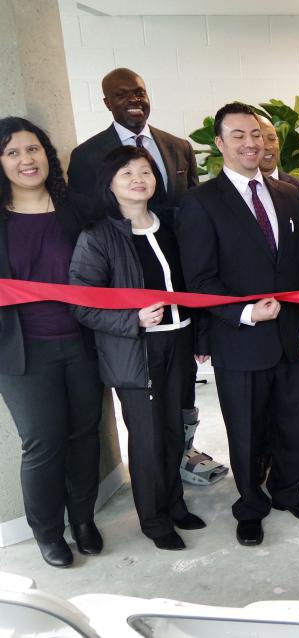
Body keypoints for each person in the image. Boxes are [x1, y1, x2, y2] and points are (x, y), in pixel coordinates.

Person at [67, 66, 226, 488]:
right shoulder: (86, 156)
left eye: (139, 91)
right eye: (121, 95)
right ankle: (156, 493)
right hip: (131, 300)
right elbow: (87, 226)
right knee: (147, 422)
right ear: (106, 103)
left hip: (178, 290)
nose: (133, 99)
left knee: (182, 402)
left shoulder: (177, 147)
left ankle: (182, 460)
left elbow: (194, 212)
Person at [177, 102, 299, 546]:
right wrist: (244, 312)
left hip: (290, 334)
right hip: (239, 338)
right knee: (244, 429)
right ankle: (250, 504)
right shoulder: (201, 202)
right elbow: (200, 280)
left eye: (256, 135)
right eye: (238, 135)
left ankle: (289, 491)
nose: (250, 143)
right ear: (220, 144)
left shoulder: (288, 194)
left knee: (292, 421)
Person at [69, 146, 206, 551]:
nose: (138, 179)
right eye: (126, 173)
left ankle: (175, 504)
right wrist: (132, 321)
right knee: (147, 439)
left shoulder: (172, 224)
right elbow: (81, 304)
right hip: (137, 348)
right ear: (109, 184)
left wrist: (197, 336)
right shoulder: (98, 236)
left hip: (179, 339)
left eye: (144, 170)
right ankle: (155, 521)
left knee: (175, 430)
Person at [0, 117, 104, 567]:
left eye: (33, 149)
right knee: (42, 441)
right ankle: (46, 532)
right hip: (23, 352)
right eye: (12, 153)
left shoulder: (79, 209)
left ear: (48, 154)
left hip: (82, 342)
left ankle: (82, 520)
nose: (27, 159)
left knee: (85, 435)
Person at [255, 115, 299, 479]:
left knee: (295, 398)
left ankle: (293, 457)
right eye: (256, 137)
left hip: (294, 317)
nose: (265, 145)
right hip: (252, 318)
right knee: (259, 400)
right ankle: (262, 455)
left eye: (270, 137)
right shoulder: (226, 195)